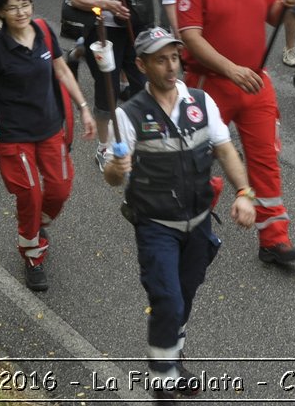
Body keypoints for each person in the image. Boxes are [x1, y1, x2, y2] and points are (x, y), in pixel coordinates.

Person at [102, 28, 258, 398]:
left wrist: (244, 192)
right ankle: (162, 380)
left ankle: (173, 356)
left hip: (199, 222)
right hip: (156, 226)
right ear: (141, 65)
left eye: (174, 57)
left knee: (185, 295)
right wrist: (117, 167)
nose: (171, 66)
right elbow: (110, 176)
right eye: (161, 59)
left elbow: (224, 149)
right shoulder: (128, 114)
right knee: (167, 299)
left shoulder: (201, 102)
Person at [175, 0, 295, 266]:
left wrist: (285, 2)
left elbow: (273, 16)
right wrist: (230, 69)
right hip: (209, 85)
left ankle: (274, 239)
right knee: (197, 158)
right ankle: (194, 213)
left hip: (255, 84)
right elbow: (190, 36)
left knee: (265, 159)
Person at [0, 0, 96, 291]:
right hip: (15, 135)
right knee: (29, 193)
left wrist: (83, 107)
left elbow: (62, 70)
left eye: (25, 4)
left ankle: (37, 225)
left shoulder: (42, 30)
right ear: (0, 12)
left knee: (59, 189)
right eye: (12, 8)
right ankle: (32, 255)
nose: (20, 12)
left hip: (49, 127)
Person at [70, 0, 150, 157]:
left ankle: (136, 132)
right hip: (106, 31)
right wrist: (109, 5)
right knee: (109, 88)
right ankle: (104, 145)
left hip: (135, 29)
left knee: (142, 82)